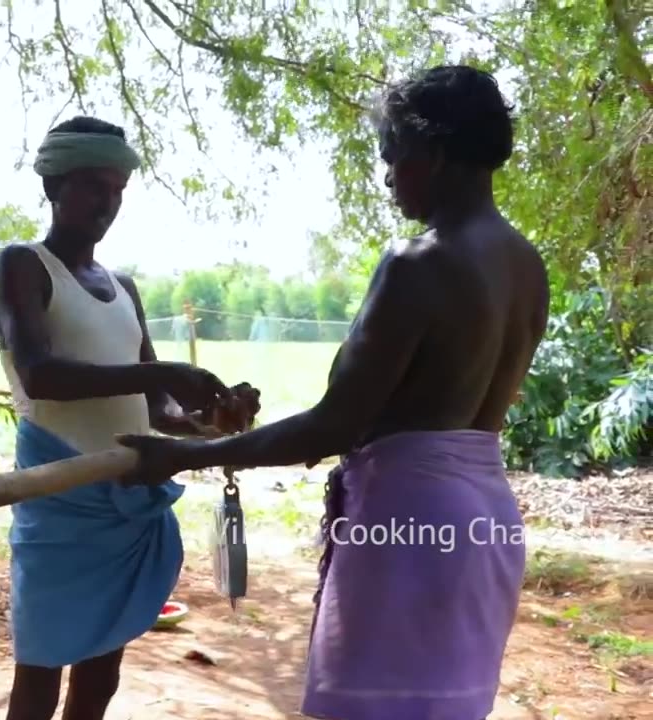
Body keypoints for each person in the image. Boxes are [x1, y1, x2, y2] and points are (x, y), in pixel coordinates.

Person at [116, 65, 550, 720]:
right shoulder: (525, 263)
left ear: (430, 151)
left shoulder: (419, 263)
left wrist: (178, 456)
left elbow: (335, 425)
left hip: (408, 522)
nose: (386, 176)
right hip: (484, 522)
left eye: (392, 155)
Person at [0, 115, 238, 720]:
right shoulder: (23, 266)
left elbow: (159, 411)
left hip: (124, 500)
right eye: (92, 187)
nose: (107, 202)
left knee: (101, 671)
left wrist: (212, 419)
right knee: (40, 669)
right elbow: (39, 375)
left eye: (117, 190)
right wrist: (161, 373)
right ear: (53, 186)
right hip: (58, 499)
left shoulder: (122, 286)